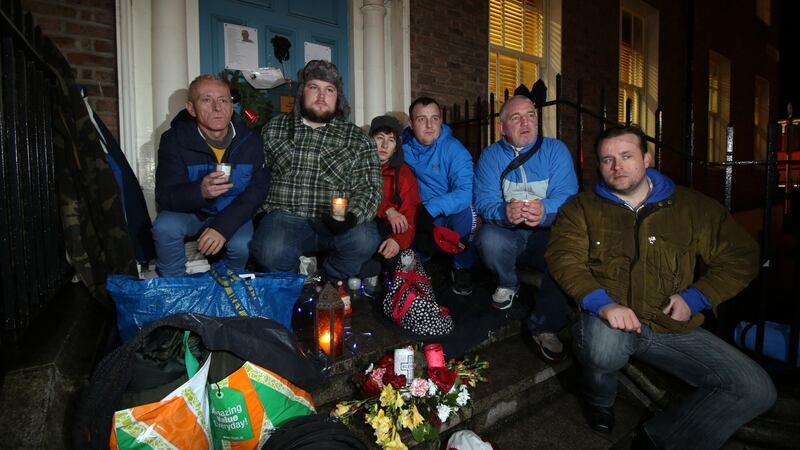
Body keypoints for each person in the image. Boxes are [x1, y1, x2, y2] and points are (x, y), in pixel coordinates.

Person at [545, 125, 776, 449]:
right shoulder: (581, 208)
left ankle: (662, 441)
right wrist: (602, 303)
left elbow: (742, 255)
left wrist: (698, 297)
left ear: (647, 158)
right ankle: (599, 399)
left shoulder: (691, 207)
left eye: (626, 156)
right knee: (604, 349)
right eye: (608, 159)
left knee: (755, 388)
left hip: (669, 325)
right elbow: (563, 257)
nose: (617, 166)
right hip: (609, 321)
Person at [251, 60, 382, 283]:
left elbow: (370, 187)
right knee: (268, 250)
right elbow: (256, 176)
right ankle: (295, 286)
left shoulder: (358, 139)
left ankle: (326, 281)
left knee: (365, 240)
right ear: (302, 91)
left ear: (338, 98)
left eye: (329, 90)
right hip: (285, 218)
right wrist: (261, 214)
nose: (322, 96)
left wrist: (351, 217)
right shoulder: (274, 128)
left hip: (336, 223)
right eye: (314, 87)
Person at [473, 95, 578, 362]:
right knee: (488, 239)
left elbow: (568, 195)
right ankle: (508, 282)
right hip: (509, 232)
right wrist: (504, 212)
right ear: (502, 127)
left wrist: (545, 210)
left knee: (567, 252)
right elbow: (484, 201)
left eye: (531, 115)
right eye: (516, 118)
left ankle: (545, 326)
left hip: (547, 233)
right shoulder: (490, 156)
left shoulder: (555, 150)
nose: (526, 123)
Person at [152, 74, 269, 276]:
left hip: (232, 211)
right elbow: (165, 195)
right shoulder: (174, 140)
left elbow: (257, 191)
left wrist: (222, 228)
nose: (217, 107)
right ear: (191, 108)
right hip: (192, 213)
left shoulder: (251, 141)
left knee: (242, 245)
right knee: (164, 227)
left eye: (223, 100)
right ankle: (174, 286)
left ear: (231, 106)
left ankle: (229, 285)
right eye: (206, 100)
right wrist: (200, 192)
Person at [402, 97, 478, 295]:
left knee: (469, 214)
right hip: (419, 212)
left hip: (447, 211)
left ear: (441, 121)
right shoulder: (403, 149)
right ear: (411, 124)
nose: (429, 125)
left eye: (434, 118)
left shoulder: (454, 150)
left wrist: (431, 209)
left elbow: (465, 192)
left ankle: (462, 266)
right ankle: (423, 263)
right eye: (421, 119)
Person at [360, 115, 422, 296]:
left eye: (391, 140)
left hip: (389, 227)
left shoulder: (403, 174)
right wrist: (387, 209)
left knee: (397, 254)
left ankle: (392, 286)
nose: (385, 145)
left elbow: (409, 213)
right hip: (363, 220)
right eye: (379, 138)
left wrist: (397, 240)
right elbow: (360, 193)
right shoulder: (359, 165)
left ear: (397, 146)